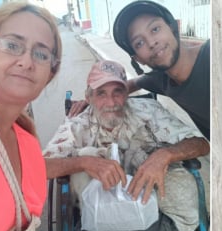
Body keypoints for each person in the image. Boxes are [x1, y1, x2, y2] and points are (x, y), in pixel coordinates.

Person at [44, 60, 210, 231]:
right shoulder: (76, 126)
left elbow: (200, 144)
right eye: (101, 93)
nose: (111, 102)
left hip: (153, 212)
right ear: (88, 97)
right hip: (100, 215)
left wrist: (165, 155)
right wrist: (84, 163)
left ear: (127, 92)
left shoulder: (149, 110)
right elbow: (40, 167)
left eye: (118, 91)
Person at [70, 0, 210, 140]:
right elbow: (130, 85)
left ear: (173, 27)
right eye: (139, 43)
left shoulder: (215, 57)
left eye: (155, 29)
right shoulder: (160, 79)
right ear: (138, 59)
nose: (151, 43)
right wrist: (92, 99)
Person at [0, 2, 62, 231]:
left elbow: (34, 171)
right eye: (12, 45)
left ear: (50, 73)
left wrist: (85, 162)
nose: (26, 62)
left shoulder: (25, 140)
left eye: (40, 54)